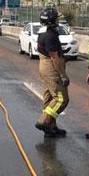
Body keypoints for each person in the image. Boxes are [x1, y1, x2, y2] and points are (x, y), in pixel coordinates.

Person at [34, 8, 69, 137]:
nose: (58, 20)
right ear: (51, 21)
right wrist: (63, 75)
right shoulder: (51, 36)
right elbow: (54, 57)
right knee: (61, 99)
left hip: (43, 65)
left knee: (48, 97)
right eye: (56, 18)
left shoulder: (42, 33)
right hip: (51, 68)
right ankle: (44, 121)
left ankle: (51, 127)